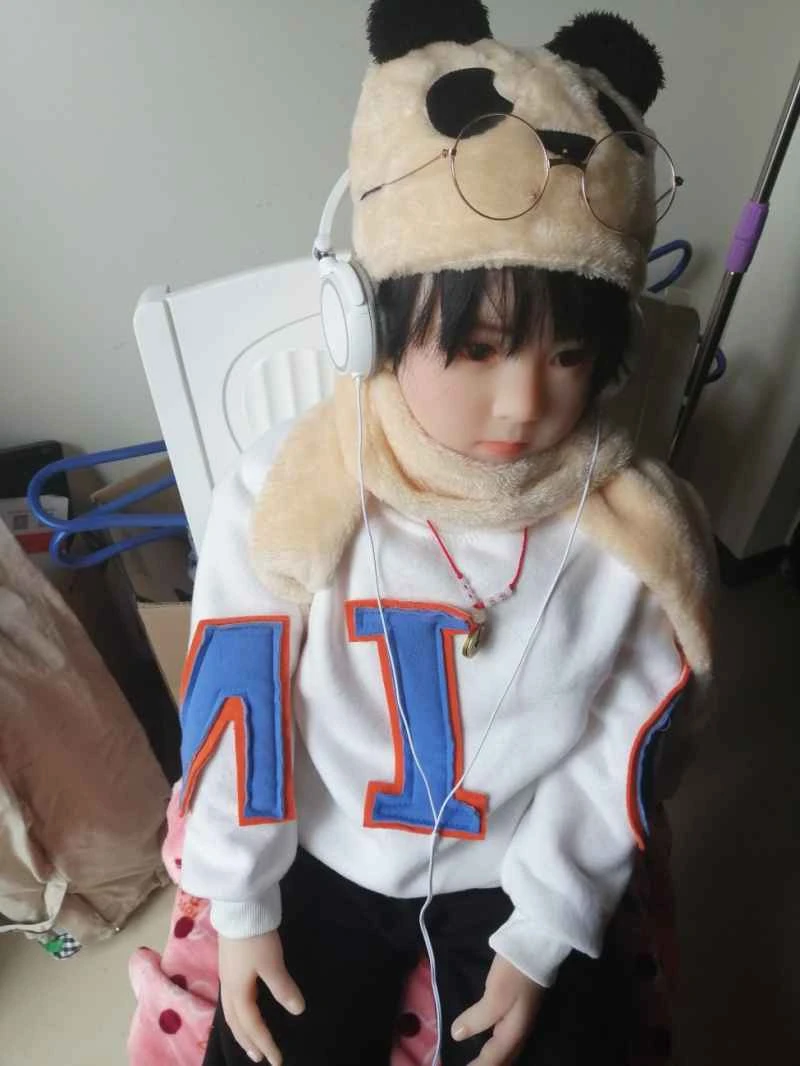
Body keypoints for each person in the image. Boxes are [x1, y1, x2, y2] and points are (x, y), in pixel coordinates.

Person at [179, 4, 716, 1066]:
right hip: (324, 855)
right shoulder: (293, 486)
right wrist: (239, 905)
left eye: (569, 356)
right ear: (366, 321)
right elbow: (240, 695)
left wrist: (545, 926)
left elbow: (622, 734)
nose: (523, 402)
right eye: (476, 347)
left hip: (510, 867)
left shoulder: (626, 532)